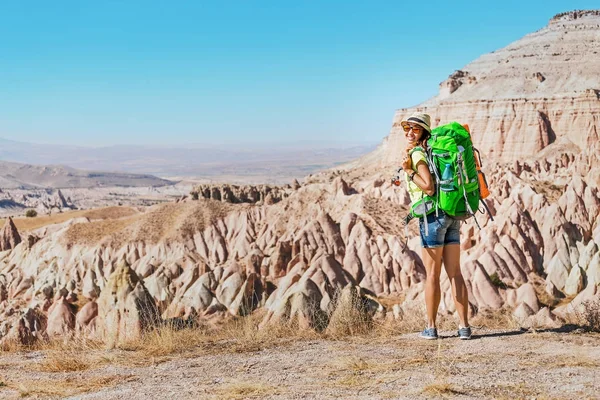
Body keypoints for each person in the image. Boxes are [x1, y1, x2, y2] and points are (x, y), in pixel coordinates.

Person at [400, 112, 471, 340]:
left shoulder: (419, 153)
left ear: (424, 132)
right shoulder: (431, 152)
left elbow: (429, 187)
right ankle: (464, 328)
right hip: (450, 214)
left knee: (432, 275)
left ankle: (430, 328)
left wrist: (410, 172)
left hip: (432, 218)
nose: (410, 133)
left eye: (415, 129)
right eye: (407, 129)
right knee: (455, 274)